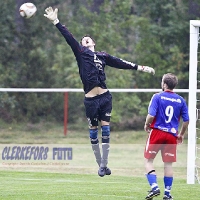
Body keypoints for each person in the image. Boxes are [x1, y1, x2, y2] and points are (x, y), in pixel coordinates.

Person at [44, 7, 155, 177]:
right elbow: (69, 38)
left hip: (105, 97)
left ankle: (105, 164)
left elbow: (119, 62)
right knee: (93, 131)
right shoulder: (80, 54)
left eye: (87, 39)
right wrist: (56, 22)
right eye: (83, 41)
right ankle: (100, 165)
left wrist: (139, 67)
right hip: (90, 100)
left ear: (93, 43)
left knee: (106, 130)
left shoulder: (103, 56)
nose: (84, 41)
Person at [143, 73, 189, 200]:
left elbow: (151, 115)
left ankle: (154, 187)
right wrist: (181, 134)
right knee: (168, 164)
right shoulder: (180, 100)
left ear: (164, 84)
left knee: (148, 161)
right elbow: (186, 120)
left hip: (157, 132)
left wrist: (147, 124)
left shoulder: (157, 96)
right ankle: (167, 194)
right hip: (171, 135)